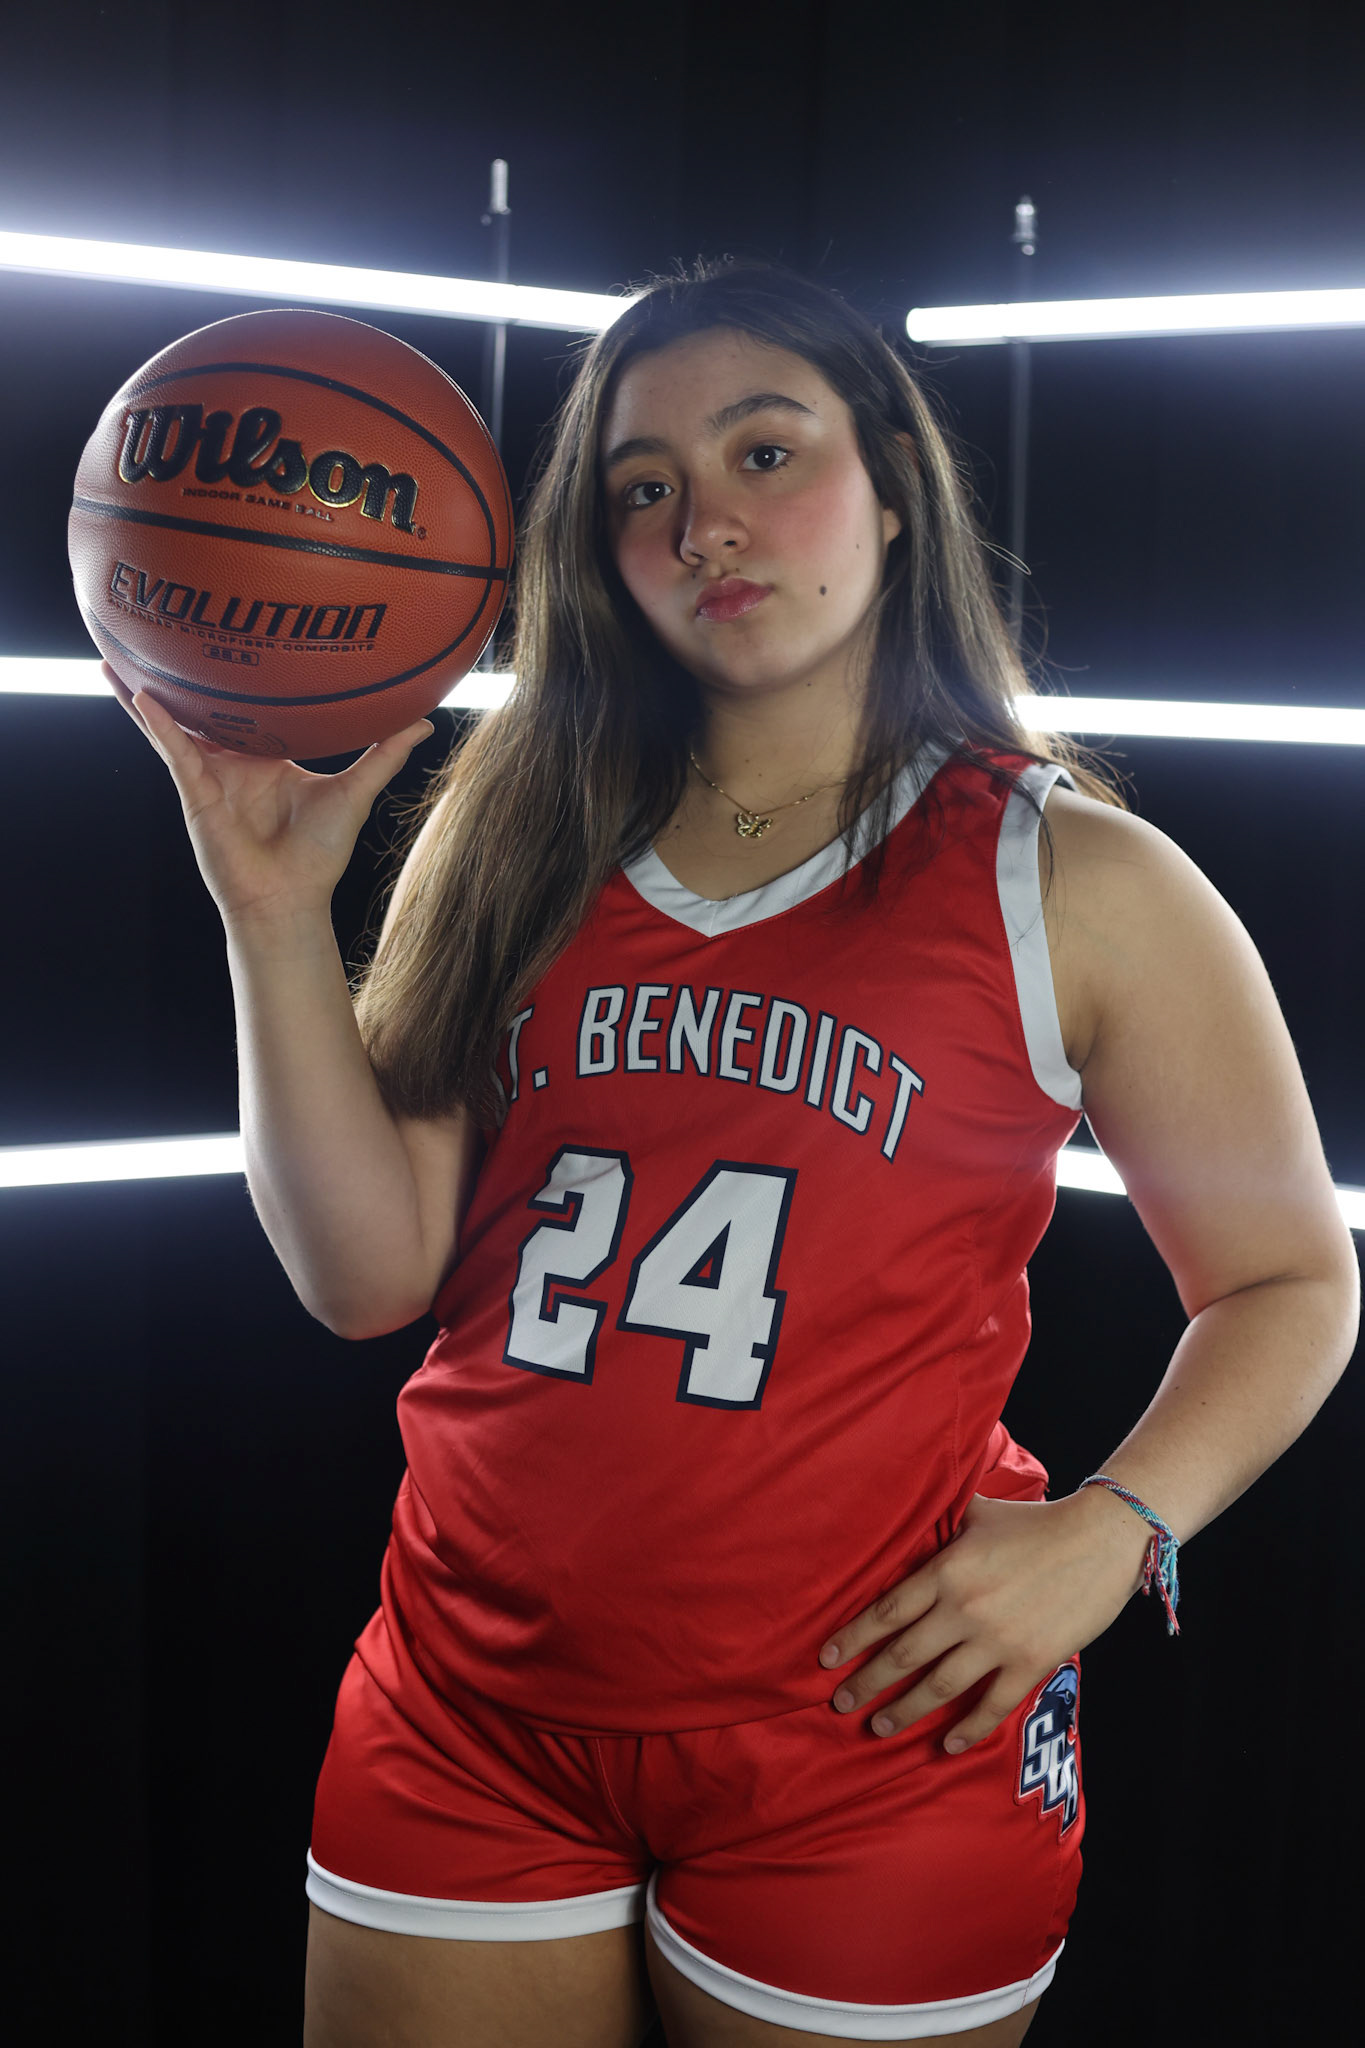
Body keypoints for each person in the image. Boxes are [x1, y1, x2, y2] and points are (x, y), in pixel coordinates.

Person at [112, 256, 1358, 2048]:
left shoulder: (1070, 878)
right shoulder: (518, 828)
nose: (705, 522)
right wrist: (268, 910)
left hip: (865, 1739)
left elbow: (1288, 1279)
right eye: (642, 487)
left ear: (894, 483)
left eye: (766, 453)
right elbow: (365, 1270)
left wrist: (1115, 1529)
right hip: (471, 1697)